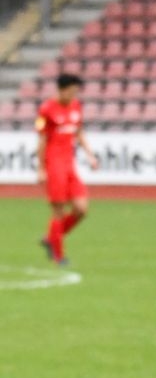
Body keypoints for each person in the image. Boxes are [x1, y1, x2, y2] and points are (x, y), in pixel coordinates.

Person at [36, 72, 97, 267]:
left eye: (76, 92)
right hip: (54, 165)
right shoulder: (47, 109)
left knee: (81, 209)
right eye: (71, 91)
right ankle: (59, 256)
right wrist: (41, 168)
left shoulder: (76, 106)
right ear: (61, 90)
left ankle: (51, 238)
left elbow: (79, 132)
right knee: (59, 211)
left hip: (70, 165)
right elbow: (42, 140)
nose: (74, 95)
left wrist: (90, 155)